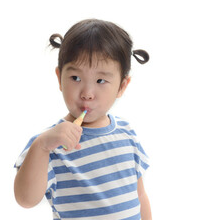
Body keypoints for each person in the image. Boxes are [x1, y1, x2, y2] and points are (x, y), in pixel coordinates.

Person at [14, 19, 151, 220]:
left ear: (122, 86)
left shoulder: (127, 132)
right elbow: (25, 199)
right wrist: (42, 146)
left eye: (100, 81)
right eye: (75, 78)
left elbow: (140, 195)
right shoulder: (49, 144)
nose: (87, 93)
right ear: (59, 77)